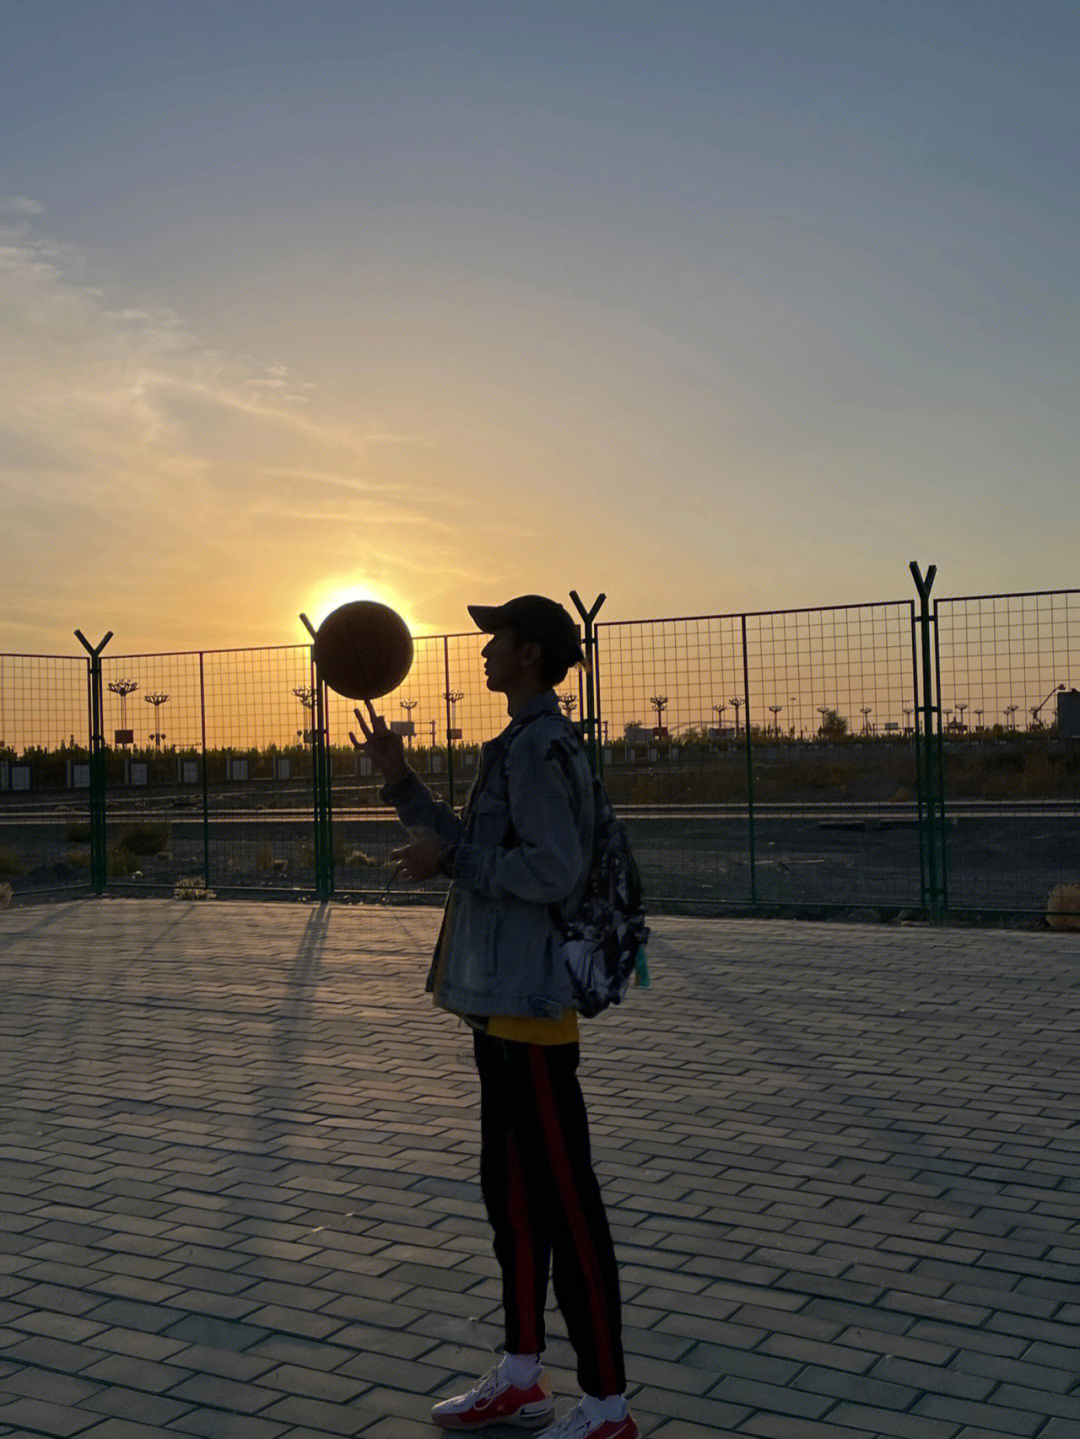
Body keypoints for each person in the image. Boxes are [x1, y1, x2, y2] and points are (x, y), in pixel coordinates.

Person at [351, 595, 639, 1439]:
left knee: (567, 1203)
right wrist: (399, 780)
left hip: (534, 1012)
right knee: (509, 1195)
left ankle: (608, 1404)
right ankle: (521, 1374)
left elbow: (551, 867)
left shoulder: (544, 746)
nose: (482, 651)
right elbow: (466, 843)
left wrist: (458, 858)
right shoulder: (515, 743)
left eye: (495, 640)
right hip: (497, 1007)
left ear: (530, 652)